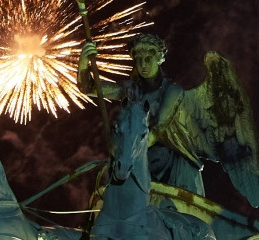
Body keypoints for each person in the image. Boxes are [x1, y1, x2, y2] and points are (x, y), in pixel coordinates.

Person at [78, 33, 205, 197]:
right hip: (143, 159)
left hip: (173, 164)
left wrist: (128, 154)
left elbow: (158, 130)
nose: (143, 65)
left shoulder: (172, 91)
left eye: (148, 59)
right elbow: (88, 88)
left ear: (158, 58)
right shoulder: (131, 89)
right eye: (138, 60)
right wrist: (83, 62)